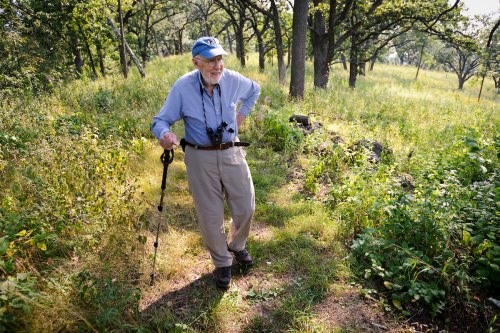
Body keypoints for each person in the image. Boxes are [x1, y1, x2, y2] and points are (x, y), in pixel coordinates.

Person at [151, 37, 260, 290]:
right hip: (200, 156)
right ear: (196, 62)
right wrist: (165, 136)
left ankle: (236, 245)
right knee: (210, 215)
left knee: (246, 205)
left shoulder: (233, 79)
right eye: (210, 60)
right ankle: (222, 262)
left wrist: (240, 118)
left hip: (231, 150)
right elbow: (160, 120)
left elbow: (255, 90)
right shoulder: (183, 87)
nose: (217, 65)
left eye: (220, 58)